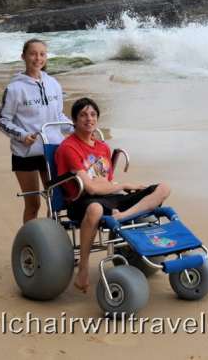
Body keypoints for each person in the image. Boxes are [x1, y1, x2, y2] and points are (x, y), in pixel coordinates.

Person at [55, 97, 171, 293]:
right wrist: (121, 184)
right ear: (74, 120)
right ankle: (83, 268)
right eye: (83, 115)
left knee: (163, 188)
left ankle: (122, 216)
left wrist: (123, 187)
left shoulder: (103, 147)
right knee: (95, 207)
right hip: (81, 200)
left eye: (93, 115)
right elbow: (90, 188)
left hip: (109, 197)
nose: (89, 119)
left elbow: (105, 182)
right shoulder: (69, 148)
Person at [0, 38, 71, 224]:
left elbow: (58, 116)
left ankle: (50, 240)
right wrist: (21, 135)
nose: (38, 58)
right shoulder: (15, 88)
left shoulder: (53, 83)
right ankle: (30, 244)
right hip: (25, 153)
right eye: (33, 54)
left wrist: (77, 129)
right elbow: (2, 119)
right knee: (33, 205)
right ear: (23, 56)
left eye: (42, 54)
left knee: (55, 202)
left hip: (52, 150)